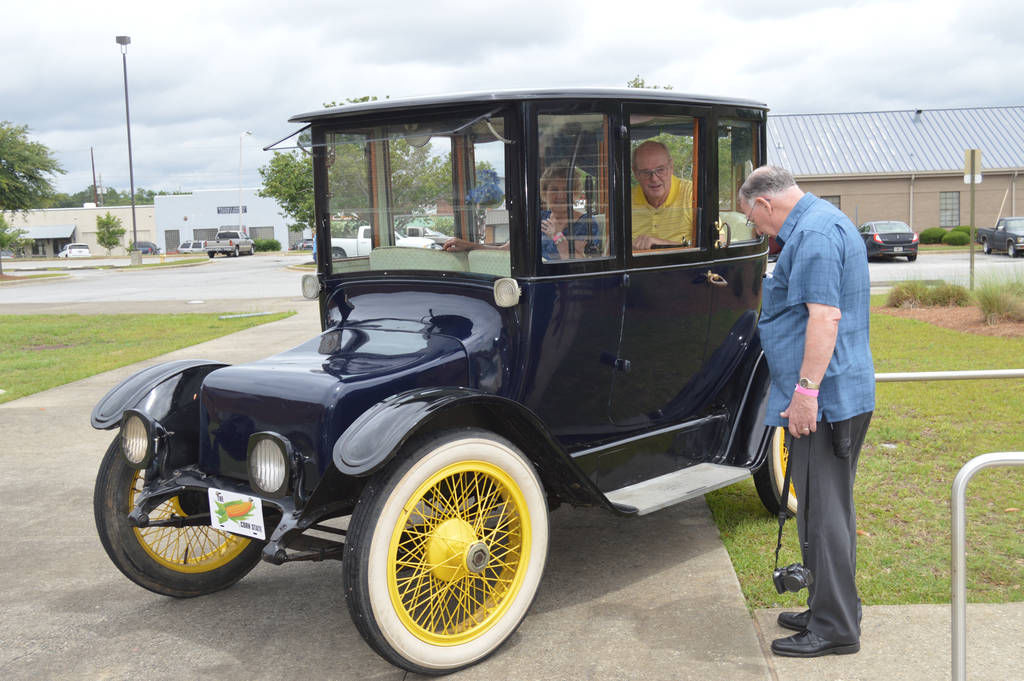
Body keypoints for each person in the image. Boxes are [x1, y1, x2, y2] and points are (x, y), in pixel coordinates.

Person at [739, 165, 874, 658]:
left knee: (824, 516)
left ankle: (835, 627)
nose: (756, 231)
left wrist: (805, 393)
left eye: (753, 220)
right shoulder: (821, 221)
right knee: (824, 509)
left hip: (827, 401)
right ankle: (831, 604)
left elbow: (824, 317)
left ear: (765, 204)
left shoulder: (814, 234)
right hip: (836, 395)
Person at [444, 161, 600, 260]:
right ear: (544, 193)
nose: (559, 195)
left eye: (565, 189)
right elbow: (506, 250)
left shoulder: (586, 223)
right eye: (553, 189)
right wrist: (468, 245)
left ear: (575, 194)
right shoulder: (537, 218)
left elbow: (576, 262)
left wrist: (557, 235)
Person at [630, 140, 694, 250]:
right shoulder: (625, 201)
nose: (654, 178)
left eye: (660, 170)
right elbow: (609, 249)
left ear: (671, 167)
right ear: (635, 173)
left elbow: (716, 243)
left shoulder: (692, 194)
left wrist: (659, 244)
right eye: (646, 172)